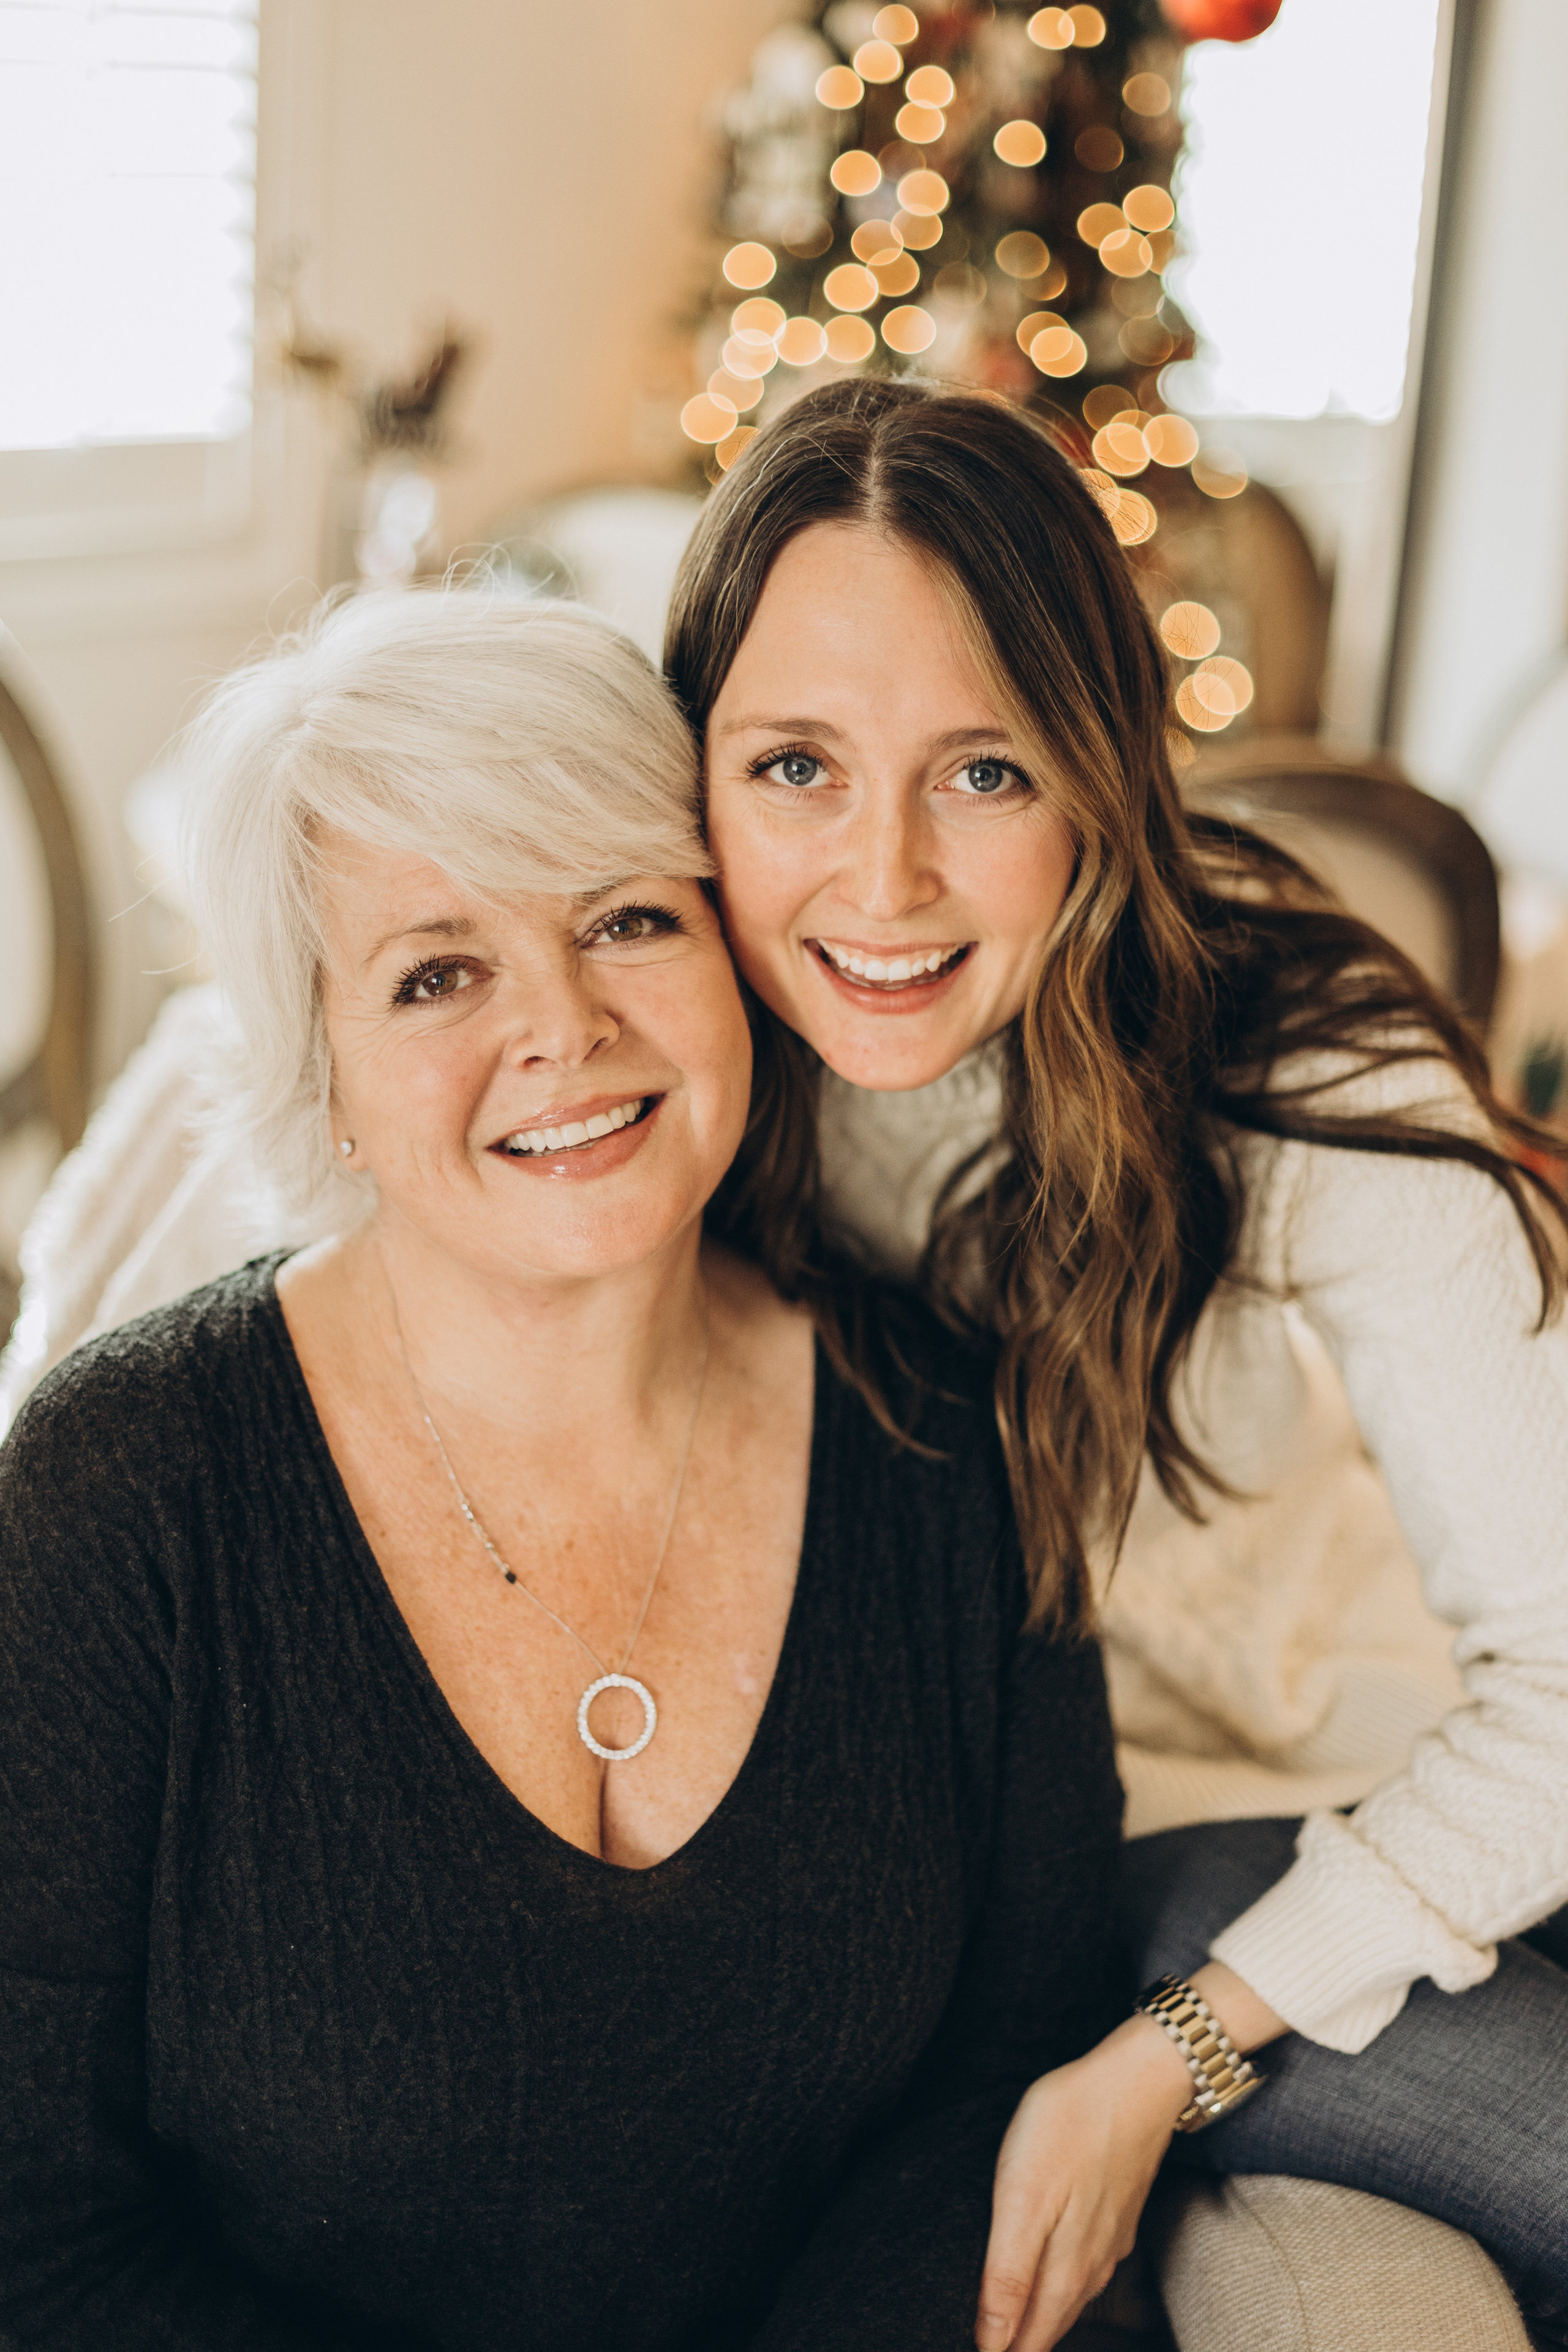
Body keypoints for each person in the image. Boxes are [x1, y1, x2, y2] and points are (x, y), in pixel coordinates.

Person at [0, 590, 1127, 2352]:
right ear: (325, 1065)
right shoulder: (122, 1494)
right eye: (436, 971)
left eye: (625, 920)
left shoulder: (942, 1435)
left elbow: (1014, 2068)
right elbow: (32, 2229)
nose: (565, 1028)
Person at [662, 377, 1568, 2350]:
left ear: (1099, 772)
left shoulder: (1292, 1050)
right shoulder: (651, 1048)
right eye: (796, 765)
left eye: (981, 772)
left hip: (1279, 1788)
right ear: (695, 770)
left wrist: (1167, 2057)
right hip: (954, 1856)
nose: (882, 880)